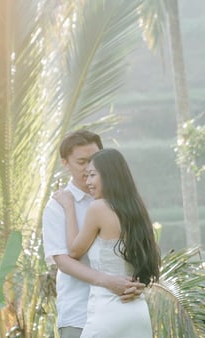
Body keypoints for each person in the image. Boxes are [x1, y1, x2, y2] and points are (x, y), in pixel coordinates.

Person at [42, 131, 146, 338]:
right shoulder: (57, 206)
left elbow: (138, 250)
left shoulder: (121, 203)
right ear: (65, 163)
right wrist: (107, 281)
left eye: (95, 159)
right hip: (79, 312)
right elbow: (63, 261)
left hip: (123, 306)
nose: (90, 167)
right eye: (82, 162)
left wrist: (136, 284)